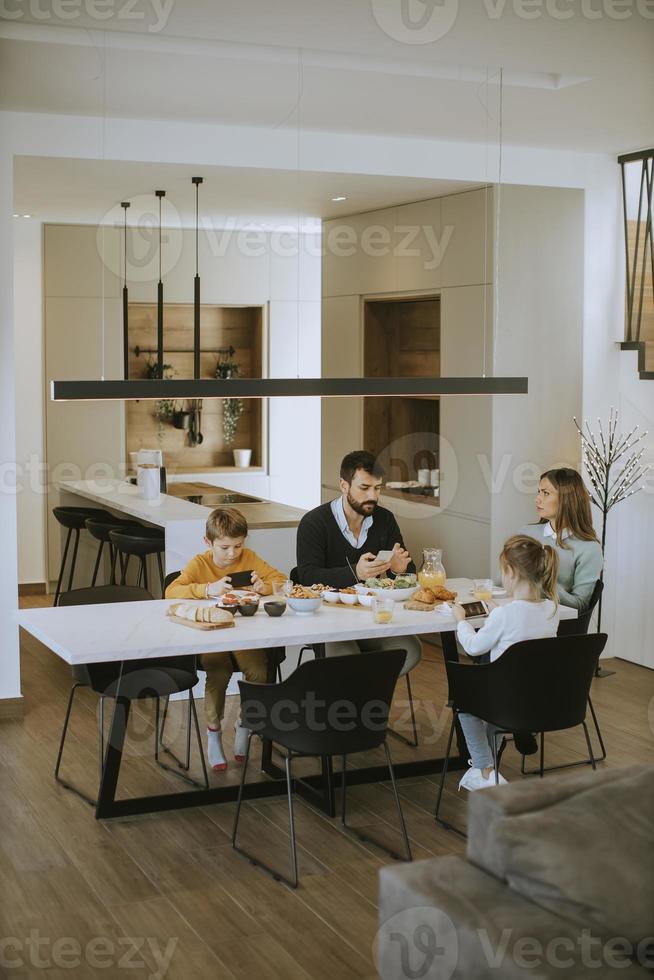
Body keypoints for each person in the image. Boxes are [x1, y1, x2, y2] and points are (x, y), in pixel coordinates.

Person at [166, 508, 286, 772]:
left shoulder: (249, 557)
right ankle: (213, 733)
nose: (232, 554)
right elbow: (171, 590)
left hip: (244, 633)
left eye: (238, 546)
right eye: (224, 547)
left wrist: (262, 587)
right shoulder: (200, 563)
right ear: (208, 543)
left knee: (258, 671)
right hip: (212, 633)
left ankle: (245, 724)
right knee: (217, 673)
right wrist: (208, 589)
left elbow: (280, 579)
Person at [450, 534, 561, 790]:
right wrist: (498, 614)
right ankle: (515, 740)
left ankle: (485, 770)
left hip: (503, 703)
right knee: (488, 698)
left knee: (464, 702)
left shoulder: (504, 614)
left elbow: (473, 646)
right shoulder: (551, 610)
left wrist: (461, 620)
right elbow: (522, 620)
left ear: (510, 572)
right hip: (539, 700)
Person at [296, 450, 421, 671]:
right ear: (344, 486)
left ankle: (363, 696)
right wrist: (356, 573)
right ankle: (363, 699)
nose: (372, 495)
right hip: (327, 621)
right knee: (348, 660)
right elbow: (307, 577)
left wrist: (398, 570)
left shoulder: (384, 520)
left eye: (378, 488)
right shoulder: (314, 523)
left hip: (373, 618)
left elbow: (408, 572)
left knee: (410, 650)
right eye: (364, 488)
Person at [518, 468, 603, 612]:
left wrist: (545, 584)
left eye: (545, 493)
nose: (537, 498)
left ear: (566, 499)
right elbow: (501, 581)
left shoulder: (589, 548)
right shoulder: (526, 532)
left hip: (555, 627)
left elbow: (581, 605)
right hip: (516, 616)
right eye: (538, 492)